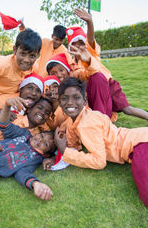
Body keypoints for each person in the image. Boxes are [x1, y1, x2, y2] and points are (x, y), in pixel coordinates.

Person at [52, 77, 148, 207]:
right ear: (59, 102)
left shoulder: (87, 123)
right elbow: (73, 142)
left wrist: (65, 151)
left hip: (139, 145)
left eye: (76, 97)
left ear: (85, 100)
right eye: (64, 98)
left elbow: (99, 161)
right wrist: (58, 156)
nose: (70, 102)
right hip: (139, 138)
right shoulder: (76, 118)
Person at [66, 9, 148, 121]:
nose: (78, 47)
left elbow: (90, 38)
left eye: (81, 43)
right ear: (70, 47)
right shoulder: (72, 65)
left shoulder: (89, 52)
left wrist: (90, 22)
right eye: (74, 44)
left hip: (108, 83)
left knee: (127, 109)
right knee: (97, 110)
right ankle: (102, 126)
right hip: (94, 89)